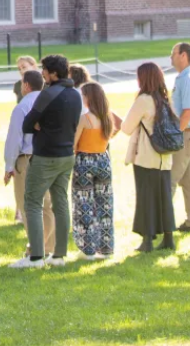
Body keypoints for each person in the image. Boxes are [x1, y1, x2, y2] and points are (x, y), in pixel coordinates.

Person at [10, 55, 82, 269]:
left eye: (44, 70)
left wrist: (40, 126)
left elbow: (27, 124)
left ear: (53, 73)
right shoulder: (76, 94)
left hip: (45, 156)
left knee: (32, 202)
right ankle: (59, 255)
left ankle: (36, 257)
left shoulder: (47, 94)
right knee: (60, 203)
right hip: (67, 155)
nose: (42, 73)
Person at [121, 62, 176, 252]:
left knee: (146, 198)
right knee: (164, 198)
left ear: (143, 78)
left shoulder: (143, 99)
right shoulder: (165, 97)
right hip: (165, 157)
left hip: (146, 156)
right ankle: (169, 239)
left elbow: (126, 128)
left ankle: (147, 241)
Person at [3, 70, 55, 258]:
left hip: (28, 158)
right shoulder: (51, 103)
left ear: (26, 85)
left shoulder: (22, 107)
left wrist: (9, 166)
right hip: (50, 157)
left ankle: (35, 249)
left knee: (28, 206)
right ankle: (48, 247)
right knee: (48, 205)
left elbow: (14, 139)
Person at [72, 82, 118, 260]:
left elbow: (74, 142)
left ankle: (88, 248)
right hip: (103, 160)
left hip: (85, 161)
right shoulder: (107, 118)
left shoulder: (86, 118)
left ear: (88, 97)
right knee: (104, 205)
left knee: (84, 204)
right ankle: (106, 248)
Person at [12, 55, 39, 223]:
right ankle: (19, 210)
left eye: (24, 66)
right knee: (20, 175)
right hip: (24, 127)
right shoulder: (18, 86)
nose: (22, 70)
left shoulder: (42, 84)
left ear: (33, 65)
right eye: (19, 68)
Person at [170, 42, 190, 233]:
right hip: (187, 135)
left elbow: (188, 112)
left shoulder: (187, 79)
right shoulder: (184, 77)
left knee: (170, 179)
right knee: (188, 180)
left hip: (184, 135)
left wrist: (175, 135)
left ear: (183, 55)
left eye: (173, 54)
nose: (171, 57)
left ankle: (162, 224)